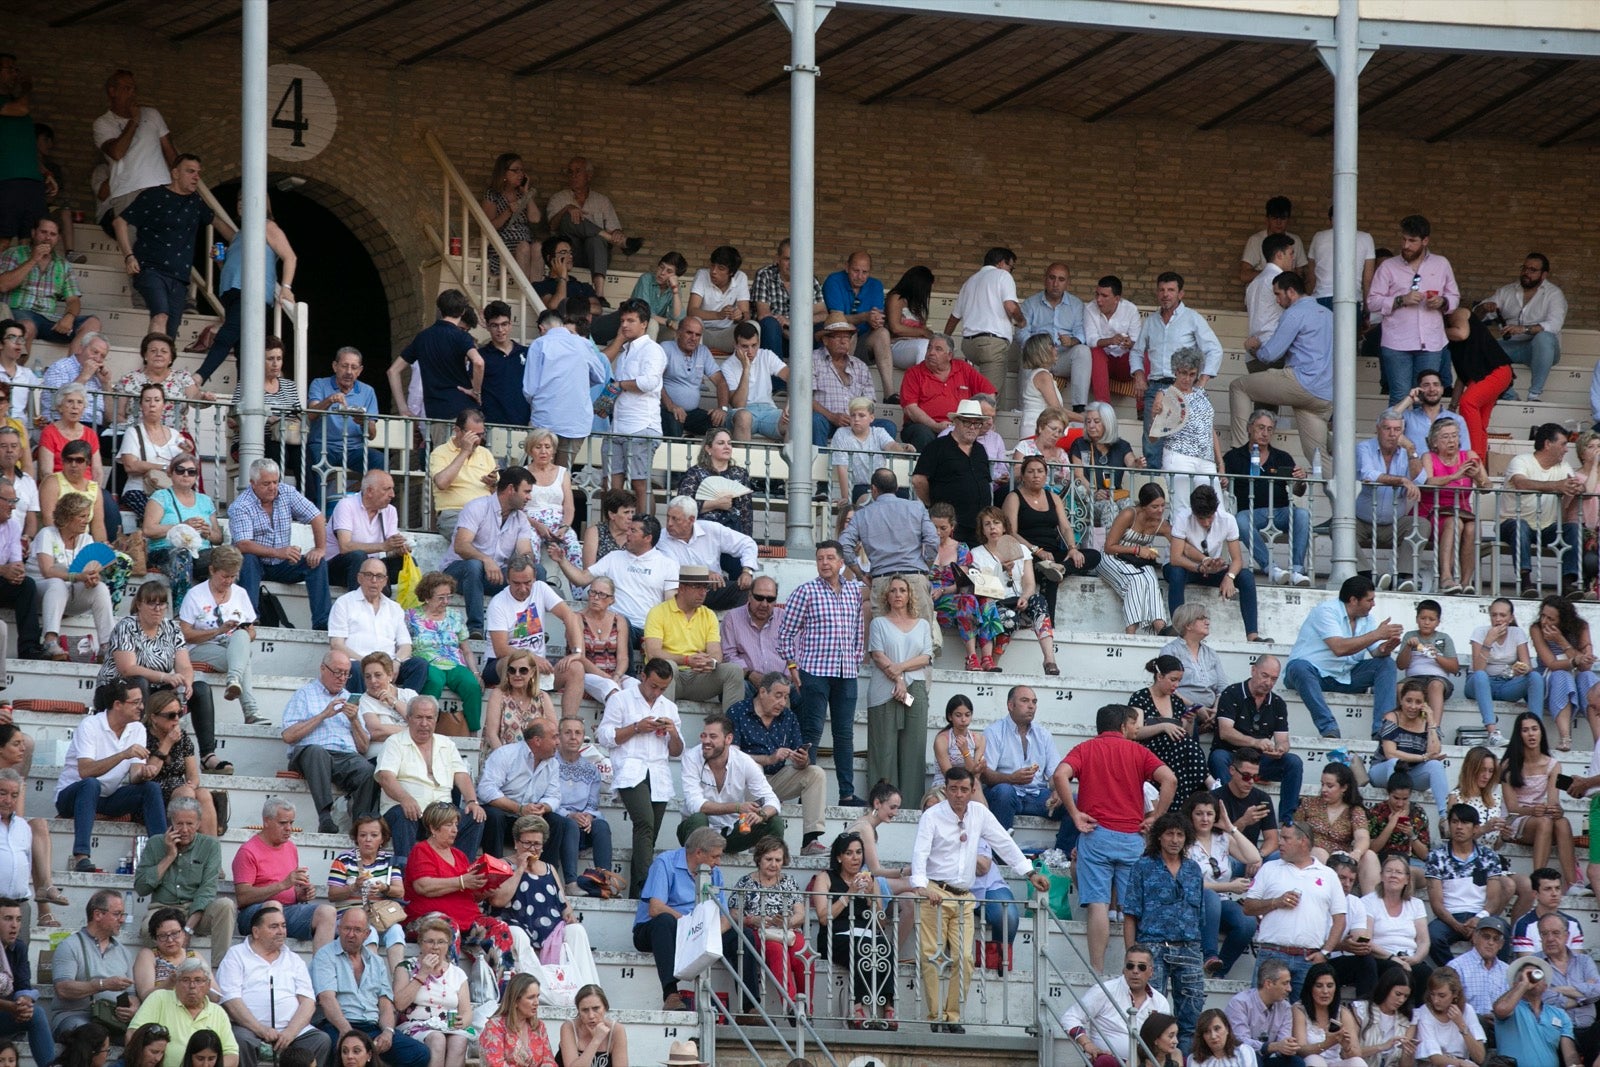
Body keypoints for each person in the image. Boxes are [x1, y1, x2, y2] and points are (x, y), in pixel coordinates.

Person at [910, 768, 1049, 1034]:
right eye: (953, 789)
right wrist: (920, 886)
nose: (959, 795)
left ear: (973, 789)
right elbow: (920, 851)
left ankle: (952, 1016)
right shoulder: (932, 815)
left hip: (964, 896)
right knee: (931, 957)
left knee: (964, 958)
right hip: (935, 892)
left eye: (964, 789)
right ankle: (935, 1016)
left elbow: (1004, 843)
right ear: (946, 788)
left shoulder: (980, 814)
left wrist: (1029, 872)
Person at [1056, 703, 1179, 972]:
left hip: (1096, 834)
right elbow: (1170, 779)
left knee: (1098, 904)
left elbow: (1059, 774)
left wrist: (1075, 813)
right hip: (1132, 838)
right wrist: (1156, 817)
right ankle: (1136, 971)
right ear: (1124, 726)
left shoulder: (1085, 749)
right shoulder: (1138, 750)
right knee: (1131, 912)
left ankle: (1097, 971)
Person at [96, 579, 224, 780]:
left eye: (162, 604)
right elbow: (127, 668)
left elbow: (184, 664)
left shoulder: (172, 628)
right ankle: (143, 750)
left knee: (201, 689)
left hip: (156, 688)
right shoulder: (127, 626)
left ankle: (208, 754)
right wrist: (165, 676)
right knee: (140, 683)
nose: (158, 609)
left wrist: (187, 681)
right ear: (139, 604)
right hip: (118, 689)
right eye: (151, 603)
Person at [777, 541, 867, 805]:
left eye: (830, 558)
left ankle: (847, 794)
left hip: (846, 672)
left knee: (844, 734)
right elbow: (785, 634)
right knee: (811, 732)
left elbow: (858, 630)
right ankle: (808, 794)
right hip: (814, 671)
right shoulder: (805, 592)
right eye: (820, 558)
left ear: (841, 563)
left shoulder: (853, 591)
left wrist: (856, 658)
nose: (825, 563)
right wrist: (792, 667)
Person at [54, 681, 164, 873]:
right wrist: (123, 754)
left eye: (142, 701)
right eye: (136, 702)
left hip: (107, 797)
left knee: (151, 789)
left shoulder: (137, 728)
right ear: (117, 704)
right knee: (90, 784)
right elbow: (85, 771)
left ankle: (162, 855)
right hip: (72, 795)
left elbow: (135, 775)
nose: (141, 707)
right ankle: (81, 856)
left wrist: (145, 773)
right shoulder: (90, 725)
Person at [114, 155, 229, 338]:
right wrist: (129, 256)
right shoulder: (153, 195)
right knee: (160, 314)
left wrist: (248, 242)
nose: (196, 177)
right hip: (150, 269)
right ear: (175, 173)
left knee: (171, 333)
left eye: (198, 173)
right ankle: (151, 362)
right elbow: (120, 222)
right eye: (190, 171)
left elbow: (220, 225)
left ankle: (157, 363)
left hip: (179, 277)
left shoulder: (196, 202)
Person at [634, 827, 745, 1013]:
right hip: (658, 930)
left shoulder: (714, 872)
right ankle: (671, 994)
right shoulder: (665, 862)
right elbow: (655, 908)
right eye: (715, 857)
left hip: (696, 931)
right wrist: (693, 926)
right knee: (664, 921)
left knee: (743, 935)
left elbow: (724, 917)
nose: (718, 862)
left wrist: (707, 935)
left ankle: (748, 1007)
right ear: (699, 852)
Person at [597, 659, 682, 898]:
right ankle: (645, 890)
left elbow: (676, 751)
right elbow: (604, 736)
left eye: (662, 688)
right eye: (653, 685)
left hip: (659, 774)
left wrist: (673, 731)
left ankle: (637, 891)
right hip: (629, 770)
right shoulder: (620, 699)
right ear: (642, 676)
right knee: (645, 823)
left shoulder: (669, 708)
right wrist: (636, 727)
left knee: (650, 834)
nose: (657, 692)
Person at [1232, 272, 1334, 468]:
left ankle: (1240, 450)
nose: (1277, 301)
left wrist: (1253, 347)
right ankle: (1342, 498)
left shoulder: (1295, 312)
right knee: (1318, 458)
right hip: (1324, 394)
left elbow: (1270, 355)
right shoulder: (1329, 315)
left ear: (1291, 292)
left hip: (1300, 382)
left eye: (1278, 294)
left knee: (1238, 386)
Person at [1125, 813, 1207, 1049]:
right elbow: (1130, 913)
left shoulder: (1193, 870)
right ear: (1159, 837)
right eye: (1169, 833)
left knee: (1191, 1019)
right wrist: (1133, 954)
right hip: (1152, 948)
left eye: (1180, 834)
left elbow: (1199, 914)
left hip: (1189, 948)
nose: (1174, 839)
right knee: (1151, 1021)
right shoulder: (1142, 867)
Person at [1285, 575, 1402, 740]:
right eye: (1370, 600)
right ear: (1354, 600)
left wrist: (1385, 649)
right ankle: (1329, 729)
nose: (1373, 604)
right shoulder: (1326, 611)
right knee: (1299, 667)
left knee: (1386, 664)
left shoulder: (1367, 619)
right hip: (1313, 675)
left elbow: (1376, 652)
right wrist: (1376, 634)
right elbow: (1339, 648)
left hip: (1345, 676)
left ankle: (1383, 730)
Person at [399, 802, 513, 971]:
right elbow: (423, 886)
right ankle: (449, 984)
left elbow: (467, 893)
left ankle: (503, 988)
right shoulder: (421, 850)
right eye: (448, 825)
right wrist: (460, 881)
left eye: (456, 825)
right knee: (446, 925)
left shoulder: (459, 855)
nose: (455, 830)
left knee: (499, 928)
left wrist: (483, 891)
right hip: (425, 919)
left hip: (466, 919)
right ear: (433, 828)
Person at [196, 194, 295, 388]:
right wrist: (220, 262)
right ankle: (243, 397)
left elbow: (290, 257)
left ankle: (199, 377)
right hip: (234, 293)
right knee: (243, 349)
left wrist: (286, 287)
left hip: (252, 293)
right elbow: (234, 267)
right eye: (239, 199)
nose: (241, 201)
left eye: (246, 197)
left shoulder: (267, 226)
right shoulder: (241, 234)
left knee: (227, 334)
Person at [1244, 822, 1347, 1000]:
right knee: (1260, 1013)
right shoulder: (1269, 868)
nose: (1280, 843)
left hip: (1307, 959)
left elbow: (1340, 919)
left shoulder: (1328, 875)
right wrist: (1276, 902)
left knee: (1300, 1018)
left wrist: (1325, 953)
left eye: (1286, 838)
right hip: (1271, 954)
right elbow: (1248, 907)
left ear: (1303, 841)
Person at [311, 910, 428, 1067]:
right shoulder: (325, 955)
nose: (351, 934)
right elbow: (327, 999)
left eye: (357, 930)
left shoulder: (376, 961)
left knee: (419, 1054)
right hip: (339, 1025)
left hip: (372, 1027)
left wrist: (387, 1031)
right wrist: (348, 1033)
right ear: (338, 929)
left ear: (367, 934)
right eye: (346, 928)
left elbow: (385, 1003)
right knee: (338, 1049)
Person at [1132, 273, 1224, 468]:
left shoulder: (1192, 318)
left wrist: (1202, 382)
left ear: (1180, 293)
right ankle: (1156, 495)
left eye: (1171, 290)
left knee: (1186, 441)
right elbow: (1136, 352)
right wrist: (1139, 375)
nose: (1166, 294)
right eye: (1162, 290)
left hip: (1184, 389)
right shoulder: (1150, 322)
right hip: (1155, 388)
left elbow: (1214, 349)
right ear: (1157, 293)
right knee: (1152, 445)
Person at [375, 697, 484, 860]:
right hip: (408, 813)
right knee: (404, 813)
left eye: (429, 718)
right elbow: (385, 777)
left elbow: (461, 774)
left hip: (442, 816)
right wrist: (405, 798)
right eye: (419, 717)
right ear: (409, 718)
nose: (424, 723)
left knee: (475, 817)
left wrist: (472, 802)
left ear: (436, 719)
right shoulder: (394, 742)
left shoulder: (447, 744)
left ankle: (461, 871)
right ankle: (405, 872)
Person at [281, 651, 378, 835]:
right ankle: (325, 817)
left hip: (345, 757)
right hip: (310, 754)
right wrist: (324, 715)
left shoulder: (352, 699)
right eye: (337, 672)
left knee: (367, 770)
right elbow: (288, 736)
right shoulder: (305, 694)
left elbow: (364, 747)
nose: (342, 678)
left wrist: (354, 720)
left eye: (346, 674)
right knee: (317, 752)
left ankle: (360, 825)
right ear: (323, 669)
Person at [132, 795, 235, 968]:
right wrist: (170, 855)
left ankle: (220, 971)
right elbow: (141, 888)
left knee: (226, 905)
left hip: (197, 910)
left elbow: (207, 890)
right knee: (147, 928)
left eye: (190, 823)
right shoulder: (155, 843)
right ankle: (162, 971)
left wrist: (187, 929)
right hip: (163, 908)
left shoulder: (210, 846)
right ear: (171, 821)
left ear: (199, 823)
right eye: (179, 823)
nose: (185, 829)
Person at [228, 458, 331, 630]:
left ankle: (322, 622)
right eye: (266, 483)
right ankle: (250, 618)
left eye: (275, 481)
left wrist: (319, 549)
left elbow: (317, 516)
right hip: (255, 565)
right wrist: (278, 552)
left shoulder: (286, 492)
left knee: (317, 562)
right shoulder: (241, 505)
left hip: (282, 564)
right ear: (252, 484)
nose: (272, 487)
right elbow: (243, 544)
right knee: (247, 558)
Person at [808, 832, 898, 1030]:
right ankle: (856, 1005)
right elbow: (823, 918)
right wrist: (848, 895)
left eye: (858, 852)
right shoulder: (825, 878)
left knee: (886, 948)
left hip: (866, 934)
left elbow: (881, 924)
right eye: (849, 853)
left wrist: (871, 900)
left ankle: (889, 1005)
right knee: (861, 948)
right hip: (836, 937)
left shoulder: (870, 880)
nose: (855, 857)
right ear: (839, 857)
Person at [1367, 214, 1459, 405]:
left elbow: (1455, 297)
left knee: (1426, 398)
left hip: (1431, 342)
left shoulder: (1441, 263)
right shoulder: (1388, 266)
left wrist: (1442, 302)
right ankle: (1395, 435)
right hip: (1396, 343)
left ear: (1425, 241)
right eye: (1404, 239)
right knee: (1400, 397)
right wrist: (1401, 300)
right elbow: (1372, 302)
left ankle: (1419, 436)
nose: (1406, 245)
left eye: (1412, 241)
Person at [729, 674, 827, 854]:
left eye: (786, 696)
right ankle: (754, 835)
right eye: (778, 695)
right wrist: (768, 759)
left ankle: (810, 840)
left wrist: (802, 760)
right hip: (742, 785)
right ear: (762, 692)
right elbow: (732, 755)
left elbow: (800, 758)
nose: (782, 702)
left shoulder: (788, 717)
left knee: (815, 772)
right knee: (754, 768)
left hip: (776, 779)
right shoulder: (738, 711)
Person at [1003, 454, 1101, 616]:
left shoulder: (1053, 497)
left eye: (1040, 471)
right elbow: (1011, 532)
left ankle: (1061, 568)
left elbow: (1066, 527)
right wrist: (1037, 550)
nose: (1036, 475)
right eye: (1031, 471)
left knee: (1093, 555)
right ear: (1023, 475)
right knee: (1050, 576)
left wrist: (1072, 548)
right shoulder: (1014, 497)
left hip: (1052, 554)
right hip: (1027, 553)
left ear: (1045, 474)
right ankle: (1049, 624)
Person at [231, 798, 336, 948]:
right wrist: (283, 885)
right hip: (254, 915)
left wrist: (300, 894)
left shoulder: (290, 847)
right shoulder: (248, 851)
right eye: (283, 823)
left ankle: (322, 970)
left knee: (328, 912)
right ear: (266, 821)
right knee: (274, 906)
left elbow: (290, 889)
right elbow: (242, 897)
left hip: (287, 911)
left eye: (291, 823)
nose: (289, 828)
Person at [1167, 485, 1267, 642]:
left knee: (1246, 576)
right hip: (1189, 568)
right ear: (1193, 512)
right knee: (1175, 571)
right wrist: (1199, 567)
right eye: (1201, 518)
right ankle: (1177, 628)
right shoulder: (1182, 517)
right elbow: (1175, 557)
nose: (1206, 522)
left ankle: (1253, 636)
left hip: (1212, 569)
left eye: (1210, 517)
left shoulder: (1227, 519)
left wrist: (1229, 577)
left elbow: (1237, 560)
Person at [678, 709, 783, 851]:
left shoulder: (743, 761)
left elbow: (772, 800)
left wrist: (761, 815)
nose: (706, 741)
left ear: (728, 739)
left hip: (732, 831)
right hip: (697, 830)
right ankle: (697, 871)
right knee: (698, 818)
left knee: (774, 822)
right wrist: (738, 807)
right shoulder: (691, 757)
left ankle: (771, 870)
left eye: (713, 737)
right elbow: (695, 805)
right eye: (704, 736)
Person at [177, 547, 259, 725]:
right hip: (200, 647)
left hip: (230, 647)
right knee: (243, 658)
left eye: (233, 576)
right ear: (212, 570)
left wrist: (241, 631)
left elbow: (252, 631)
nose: (229, 581)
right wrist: (218, 631)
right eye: (225, 576)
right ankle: (250, 710)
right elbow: (184, 634)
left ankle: (234, 679)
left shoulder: (240, 593)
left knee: (242, 637)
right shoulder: (195, 595)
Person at [1504, 423, 1585, 600]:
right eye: (1563, 444)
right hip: (1511, 523)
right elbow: (1521, 483)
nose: (1566, 450)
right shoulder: (1521, 460)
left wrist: (1579, 488)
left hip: (1547, 527)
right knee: (1520, 526)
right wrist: (1557, 486)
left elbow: (1574, 486)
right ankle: (1526, 582)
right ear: (1548, 444)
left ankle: (1567, 583)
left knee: (1573, 528)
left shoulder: (1563, 467)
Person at [729, 837, 810, 1013]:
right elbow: (734, 913)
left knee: (803, 952)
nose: (773, 864)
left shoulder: (789, 881)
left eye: (778, 860)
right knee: (775, 949)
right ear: (759, 858)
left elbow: (800, 914)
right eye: (769, 859)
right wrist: (752, 920)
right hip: (760, 932)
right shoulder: (745, 882)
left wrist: (787, 922)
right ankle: (791, 1006)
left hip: (788, 931)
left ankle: (806, 1008)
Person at [1185, 792, 1260, 980]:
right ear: (1190, 815)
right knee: (1210, 897)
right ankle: (1210, 955)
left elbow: (1254, 858)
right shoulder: (1183, 840)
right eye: (1199, 813)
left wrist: (1231, 828)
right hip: (1193, 902)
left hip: (1222, 901)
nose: (1205, 819)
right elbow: (1192, 883)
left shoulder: (1223, 838)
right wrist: (1229, 886)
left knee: (1247, 922)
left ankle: (1218, 972)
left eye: (1209, 814)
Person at [1474, 253, 1567, 402]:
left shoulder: (1554, 294)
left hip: (1543, 350)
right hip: (1513, 346)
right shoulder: (1506, 291)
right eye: (1524, 268)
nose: (1526, 273)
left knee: (1544, 338)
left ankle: (1534, 395)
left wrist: (1523, 329)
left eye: (1532, 270)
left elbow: (1554, 325)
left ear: (1544, 275)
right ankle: (1510, 395)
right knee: (1481, 349)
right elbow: (1476, 317)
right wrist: (1484, 308)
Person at [1426, 805, 1512, 966]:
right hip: (1449, 918)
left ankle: (1499, 977)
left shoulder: (1489, 856)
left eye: (1465, 823)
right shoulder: (1436, 856)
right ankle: (1456, 975)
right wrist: (1457, 925)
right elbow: (1436, 903)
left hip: (1480, 915)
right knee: (1432, 935)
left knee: (1503, 929)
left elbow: (1494, 899)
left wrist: (1478, 919)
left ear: (1476, 828)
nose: (1459, 827)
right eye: (1454, 822)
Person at [1502, 711, 1580, 889]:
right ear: (1519, 735)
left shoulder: (1554, 765)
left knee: (1562, 822)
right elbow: (1512, 807)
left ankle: (1574, 883)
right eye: (1525, 730)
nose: (1531, 734)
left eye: (1535, 729)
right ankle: (1539, 880)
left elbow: (1553, 800)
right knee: (1545, 822)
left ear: (1541, 732)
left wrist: (1556, 810)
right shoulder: (1508, 764)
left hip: (1540, 819)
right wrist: (1531, 811)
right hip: (1516, 819)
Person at [0, 217, 100, 354]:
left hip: (48, 319)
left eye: (52, 234)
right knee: (27, 326)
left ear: (58, 238)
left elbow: (73, 300)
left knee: (93, 323)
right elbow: (3, 285)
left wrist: (69, 316)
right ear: (33, 233)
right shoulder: (14, 253)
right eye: (43, 232)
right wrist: (33, 259)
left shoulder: (63, 264)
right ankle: (16, 373)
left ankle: (69, 371)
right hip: (18, 312)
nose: (47, 237)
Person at [329, 558, 426, 696]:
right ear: (359, 578)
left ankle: (404, 708)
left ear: (385, 581)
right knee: (354, 668)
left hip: (389, 666)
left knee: (419, 665)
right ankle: (361, 710)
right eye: (369, 575)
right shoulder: (344, 603)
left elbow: (406, 646)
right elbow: (336, 644)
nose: (374, 580)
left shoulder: (394, 608)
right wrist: (366, 663)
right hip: (358, 664)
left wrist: (396, 662)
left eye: (379, 576)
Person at [1064, 944, 1173, 1067]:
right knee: (1105, 1061)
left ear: (1151, 972)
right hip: (1110, 1061)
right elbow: (1070, 1017)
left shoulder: (1160, 1001)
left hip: (1145, 1062)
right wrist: (1087, 1044)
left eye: (1141, 967)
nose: (1135, 971)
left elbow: (1166, 1036)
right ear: (1124, 969)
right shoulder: (1104, 990)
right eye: (1130, 966)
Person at [605, 299, 667, 514]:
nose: (624, 325)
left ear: (644, 323)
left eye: (631, 320)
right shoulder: (625, 350)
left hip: (641, 425)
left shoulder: (653, 350)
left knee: (640, 485)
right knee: (611, 486)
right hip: (618, 426)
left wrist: (620, 385)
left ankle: (646, 531)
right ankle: (612, 533)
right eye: (622, 320)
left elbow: (648, 382)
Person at [479, 720, 568, 866]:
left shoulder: (553, 763)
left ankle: (547, 874)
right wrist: (519, 809)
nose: (558, 742)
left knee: (557, 822)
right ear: (537, 741)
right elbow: (486, 789)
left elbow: (554, 796)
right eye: (554, 737)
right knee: (494, 816)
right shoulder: (506, 754)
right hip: (504, 818)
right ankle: (494, 869)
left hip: (530, 819)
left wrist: (543, 807)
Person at [49, 890, 138, 1038]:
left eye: (123, 915)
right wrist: (103, 985)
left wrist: (133, 1008)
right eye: (117, 914)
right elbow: (63, 989)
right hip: (76, 1016)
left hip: (112, 1020)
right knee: (91, 1035)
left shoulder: (123, 952)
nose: (122, 920)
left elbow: (132, 994)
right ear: (98, 915)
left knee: (147, 1038)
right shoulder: (70, 945)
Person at [386, 290, 483, 422]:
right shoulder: (462, 336)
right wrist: (476, 392)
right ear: (463, 312)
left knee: (441, 443)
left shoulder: (423, 337)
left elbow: (393, 371)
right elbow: (478, 362)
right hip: (464, 410)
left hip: (436, 412)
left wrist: (403, 408)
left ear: (440, 310)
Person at [546, 157, 637, 299]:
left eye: (578, 172)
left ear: (589, 175)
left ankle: (599, 295)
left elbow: (615, 229)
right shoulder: (558, 198)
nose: (573, 176)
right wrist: (567, 209)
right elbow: (552, 226)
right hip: (570, 255)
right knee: (569, 215)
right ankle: (612, 239)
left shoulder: (602, 200)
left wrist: (617, 234)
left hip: (596, 256)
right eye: (570, 172)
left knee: (595, 239)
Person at [325, 816, 407, 970]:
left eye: (374, 835)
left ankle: (399, 981)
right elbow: (332, 895)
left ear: (383, 838)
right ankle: (373, 979)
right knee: (370, 933)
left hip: (382, 918)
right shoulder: (344, 859)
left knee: (396, 930)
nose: (368, 839)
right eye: (363, 835)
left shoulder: (389, 861)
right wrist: (353, 887)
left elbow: (400, 891)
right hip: (350, 919)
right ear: (356, 838)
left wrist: (384, 888)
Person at [392, 916, 473, 1067]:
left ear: (448, 945)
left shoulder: (457, 974)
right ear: (420, 944)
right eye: (430, 941)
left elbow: (466, 1011)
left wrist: (463, 1021)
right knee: (437, 1039)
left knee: (459, 1041)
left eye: (441, 942)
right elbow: (399, 1004)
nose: (435, 947)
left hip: (446, 1026)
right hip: (414, 1026)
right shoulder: (405, 968)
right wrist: (422, 973)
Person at [125, 957, 236, 1067]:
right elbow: (133, 1035)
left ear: (208, 985)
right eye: (185, 980)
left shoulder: (218, 1012)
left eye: (198, 980)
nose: (192, 986)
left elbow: (232, 1054)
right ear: (176, 982)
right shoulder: (159, 998)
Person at [146, 453, 223, 609]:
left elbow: (218, 537)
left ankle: (221, 610)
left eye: (191, 471)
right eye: (180, 470)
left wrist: (208, 532)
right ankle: (182, 611)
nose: (186, 475)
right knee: (183, 555)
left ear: (196, 476)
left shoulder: (205, 501)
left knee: (226, 558)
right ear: (171, 473)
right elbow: (148, 529)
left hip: (200, 552)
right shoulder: (161, 497)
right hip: (165, 550)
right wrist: (182, 525)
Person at [1129, 656, 1211, 802]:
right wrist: (1163, 727)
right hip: (1150, 750)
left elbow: (1186, 735)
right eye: (1173, 680)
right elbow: (1136, 732)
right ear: (1160, 676)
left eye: (1179, 680)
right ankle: (1209, 781)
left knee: (1183, 745)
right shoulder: (1140, 697)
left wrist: (1189, 721)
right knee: (1181, 747)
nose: (1176, 685)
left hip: (1175, 750)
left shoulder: (1176, 700)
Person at [911, 398, 992, 545]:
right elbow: (918, 480)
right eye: (968, 422)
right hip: (951, 526)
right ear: (956, 422)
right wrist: (931, 504)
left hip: (978, 527)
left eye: (977, 423)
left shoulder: (980, 450)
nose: (972, 427)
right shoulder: (936, 447)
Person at [898, 333, 997, 453]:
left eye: (938, 349)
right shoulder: (914, 373)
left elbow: (989, 395)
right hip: (924, 426)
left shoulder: (963, 368)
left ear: (950, 355)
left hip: (961, 425)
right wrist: (935, 425)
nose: (931, 352)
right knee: (922, 433)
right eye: (929, 347)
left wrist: (983, 419)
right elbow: (910, 408)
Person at [1356, 413, 1422, 588]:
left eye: (1397, 429)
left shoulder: (1408, 452)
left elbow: (1420, 479)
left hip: (1394, 522)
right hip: (1362, 520)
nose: (1393, 434)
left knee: (1420, 524)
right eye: (1387, 428)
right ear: (1378, 429)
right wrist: (1401, 480)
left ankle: (1402, 577)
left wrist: (1411, 450)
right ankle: (1366, 575)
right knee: (1339, 528)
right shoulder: (1364, 447)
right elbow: (1368, 474)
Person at [1098, 482, 1173, 636]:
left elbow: (1182, 546)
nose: (1160, 510)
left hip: (1136, 562)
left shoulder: (1162, 524)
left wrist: (1204, 560)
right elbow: (1109, 547)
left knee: (1151, 578)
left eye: (1162, 506)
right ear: (1143, 506)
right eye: (1154, 506)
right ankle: (1131, 632)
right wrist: (1138, 549)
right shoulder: (1129, 514)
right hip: (1112, 558)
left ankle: (1160, 626)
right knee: (1137, 581)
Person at [658, 497, 756, 613]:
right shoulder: (661, 537)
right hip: (683, 590)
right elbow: (672, 568)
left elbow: (747, 543)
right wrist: (704, 574)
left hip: (713, 588)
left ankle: (738, 627)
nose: (669, 523)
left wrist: (747, 571)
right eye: (668, 517)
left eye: (675, 519)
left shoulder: (710, 529)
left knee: (747, 590)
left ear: (691, 520)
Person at [1370, 680, 1450, 818]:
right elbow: (1390, 753)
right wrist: (1423, 758)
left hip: (1411, 774)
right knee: (1394, 763)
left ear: (1424, 704)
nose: (1413, 706)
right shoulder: (1392, 717)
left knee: (1435, 766)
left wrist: (1431, 721)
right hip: (1383, 770)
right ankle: (1392, 813)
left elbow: (1434, 752)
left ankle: (1445, 817)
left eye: (1418, 702)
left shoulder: (1427, 722)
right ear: (1401, 700)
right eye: (1409, 700)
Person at [1018, 262, 1093, 411]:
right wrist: (1038, 348)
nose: (1055, 284)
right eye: (1052, 278)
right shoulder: (1030, 303)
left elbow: (1081, 332)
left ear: (1068, 283)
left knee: (1083, 351)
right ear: (1045, 279)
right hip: (1038, 356)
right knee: (1026, 353)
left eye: (1061, 279)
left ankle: (1079, 408)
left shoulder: (1076, 304)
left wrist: (1072, 341)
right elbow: (1021, 333)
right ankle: (1025, 409)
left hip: (1062, 356)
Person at [1156, 347, 1226, 504]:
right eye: (1183, 373)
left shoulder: (1201, 393)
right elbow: (1154, 435)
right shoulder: (1165, 394)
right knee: (1183, 508)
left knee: (1215, 509)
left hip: (1206, 459)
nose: (1187, 378)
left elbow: (1209, 428)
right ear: (1175, 371)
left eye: (1192, 374)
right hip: (1179, 455)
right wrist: (1158, 414)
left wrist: (1220, 463)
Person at [823, 252, 896, 400]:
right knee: (848, 329)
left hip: (863, 344)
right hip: (835, 344)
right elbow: (836, 321)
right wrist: (864, 317)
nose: (860, 276)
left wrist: (876, 320)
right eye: (856, 271)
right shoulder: (834, 280)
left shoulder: (875, 285)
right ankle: (843, 386)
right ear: (847, 267)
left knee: (882, 333)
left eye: (865, 272)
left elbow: (876, 315)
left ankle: (889, 393)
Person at [1466, 599, 1536, 748]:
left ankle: (1537, 730)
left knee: (1535, 677)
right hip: (1478, 684)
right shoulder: (1480, 632)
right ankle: (1493, 733)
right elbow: (1478, 668)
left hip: (1506, 684)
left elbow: (1528, 665)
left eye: (1502, 615)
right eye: (1494, 615)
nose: (1498, 619)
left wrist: (1522, 669)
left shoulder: (1517, 633)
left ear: (1510, 618)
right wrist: (1488, 641)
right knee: (1480, 675)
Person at [1297, 764, 1378, 889]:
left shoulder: (1354, 810)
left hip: (1342, 860)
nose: (1324, 789)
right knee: (1320, 853)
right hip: (1312, 856)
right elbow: (1295, 831)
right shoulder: (1308, 804)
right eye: (1322, 784)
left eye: (1329, 786)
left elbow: (1362, 837)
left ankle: (1372, 905)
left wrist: (1357, 852)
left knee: (1369, 856)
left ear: (1344, 787)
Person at [328, 471, 407, 597]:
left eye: (392, 489)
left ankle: (413, 611)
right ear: (369, 491)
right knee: (358, 556)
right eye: (387, 489)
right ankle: (360, 604)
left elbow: (389, 549)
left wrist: (399, 549)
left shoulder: (390, 511)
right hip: (339, 568)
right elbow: (345, 547)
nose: (392, 494)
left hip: (371, 568)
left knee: (406, 561)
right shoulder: (346, 505)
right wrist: (383, 546)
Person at [1531, 596, 1594, 751]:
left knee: (1589, 678)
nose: (1545, 621)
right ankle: (1565, 738)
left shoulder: (1581, 627)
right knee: (1561, 675)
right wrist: (1575, 660)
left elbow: (1586, 666)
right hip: (1549, 679)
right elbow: (1551, 664)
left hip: (1577, 678)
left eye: (1551, 619)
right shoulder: (1536, 628)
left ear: (1563, 620)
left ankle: (1598, 740)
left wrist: (1561, 641)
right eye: (1543, 616)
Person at [1071, 401, 1145, 529]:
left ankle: (1128, 547)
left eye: (1096, 421)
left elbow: (1132, 464)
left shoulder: (1121, 445)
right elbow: (1079, 476)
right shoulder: (1080, 444)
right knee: (1111, 507)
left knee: (1129, 505)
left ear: (1108, 422)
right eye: (1088, 422)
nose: (1091, 426)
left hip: (1114, 496)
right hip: (1089, 500)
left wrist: (1138, 464)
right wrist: (1094, 492)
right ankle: (1109, 548)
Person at [1492, 955, 1577, 1067]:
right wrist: (1523, 984)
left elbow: (1570, 1054)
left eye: (1536, 974)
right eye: (1524, 976)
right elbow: (1500, 1009)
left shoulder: (1559, 1014)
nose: (1531, 979)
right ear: (1514, 985)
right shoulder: (1511, 1008)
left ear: (1545, 986)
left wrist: (1575, 1065)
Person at [654, 317, 726, 437]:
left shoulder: (703, 352)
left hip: (692, 413)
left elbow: (721, 381)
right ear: (678, 333)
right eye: (689, 333)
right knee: (674, 423)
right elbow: (655, 380)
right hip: (667, 410)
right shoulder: (666, 348)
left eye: (697, 335)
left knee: (719, 427)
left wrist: (722, 409)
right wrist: (671, 406)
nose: (693, 338)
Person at [0, 897, 52, 1065]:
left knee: (36, 1014)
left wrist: (24, 1003)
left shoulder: (19, 948)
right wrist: (11, 1007)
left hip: (6, 1012)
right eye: (8, 919)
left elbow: (23, 985)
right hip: (6, 1008)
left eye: (18, 919)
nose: (14, 925)